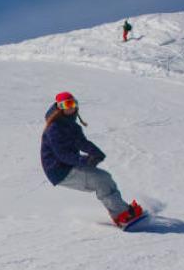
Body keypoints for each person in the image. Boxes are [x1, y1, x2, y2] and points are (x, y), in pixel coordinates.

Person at [40, 91, 143, 227]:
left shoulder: (72, 126)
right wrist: (85, 160)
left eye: (73, 103)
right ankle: (121, 215)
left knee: (105, 178)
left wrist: (96, 153)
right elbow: (62, 154)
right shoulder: (54, 129)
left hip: (69, 165)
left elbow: (82, 142)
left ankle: (123, 210)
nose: (71, 107)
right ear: (59, 107)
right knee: (101, 180)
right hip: (59, 170)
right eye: (66, 104)